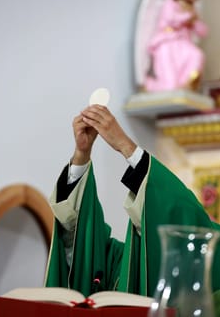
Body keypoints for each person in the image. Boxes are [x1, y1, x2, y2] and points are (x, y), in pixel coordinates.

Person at [44, 104, 220, 299]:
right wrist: (81, 156)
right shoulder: (118, 262)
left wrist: (126, 146)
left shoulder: (211, 251)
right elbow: (79, 245)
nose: (146, 211)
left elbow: (188, 228)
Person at [145, 0, 208, 92]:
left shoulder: (194, 9)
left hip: (184, 44)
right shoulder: (171, 2)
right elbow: (170, 19)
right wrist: (188, 16)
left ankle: (185, 86)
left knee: (196, 55)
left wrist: (195, 20)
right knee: (168, 59)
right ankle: (169, 89)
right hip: (167, 40)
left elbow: (203, 32)